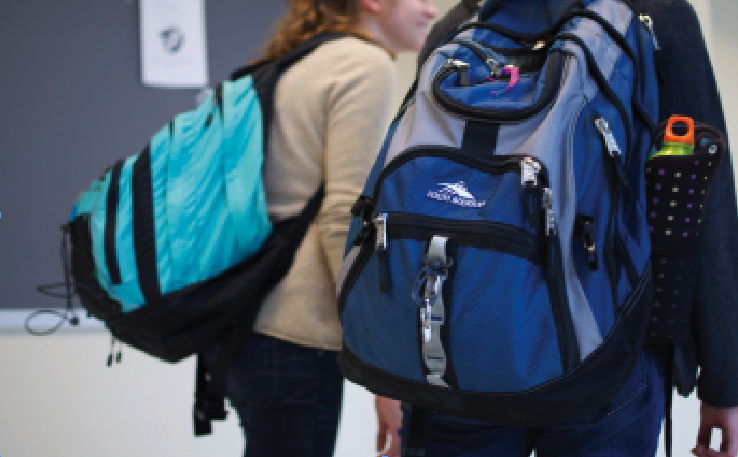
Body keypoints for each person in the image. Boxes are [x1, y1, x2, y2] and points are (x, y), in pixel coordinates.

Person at [379, 0, 738, 456]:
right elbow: (701, 194)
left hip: (460, 347)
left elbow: (412, 195)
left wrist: (390, 365)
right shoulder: (653, 14)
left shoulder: (464, 22)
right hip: (611, 347)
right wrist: (725, 381)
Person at [201, 1, 437, 456]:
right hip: (295, 334)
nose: (430, 9)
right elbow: (344, 221)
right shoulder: (363, 63)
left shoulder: (292, 62)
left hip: (242, 326)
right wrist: (383, 374)